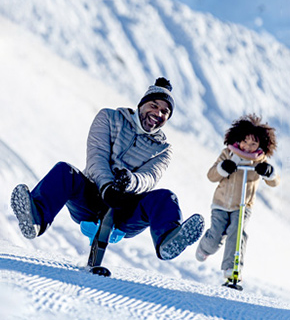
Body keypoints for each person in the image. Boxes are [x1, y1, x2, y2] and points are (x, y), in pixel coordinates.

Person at [11, 77, 204, 262]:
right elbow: (97, 155)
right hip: (91, 198)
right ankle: (36, 218)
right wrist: (106, 186)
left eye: (165, 112)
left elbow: (150, 176)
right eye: (154, 105)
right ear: (141, 105)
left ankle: (168, 240)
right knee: (64, 172)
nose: (158, 114)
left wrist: (130, 181)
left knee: (165, 198)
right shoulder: (109, 118)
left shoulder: (163, 149)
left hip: (127, 209)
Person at [195, 114, 280, 280]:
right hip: (221, 203)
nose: (248, 147)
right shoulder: (227, 154)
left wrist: (269, 173)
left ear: (261, 144)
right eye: (245, 141)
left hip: (243, 205)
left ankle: (232, 269)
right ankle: (205, 248)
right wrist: (223, 168)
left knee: (237, 232)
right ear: (237, 139)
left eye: (253, 143)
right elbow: (211, 176)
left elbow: (275, 182)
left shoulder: (259, 161)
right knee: (217, 236)